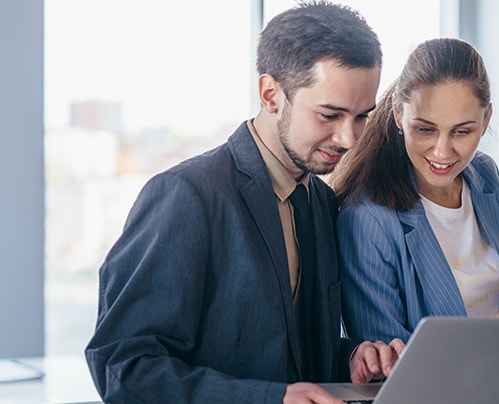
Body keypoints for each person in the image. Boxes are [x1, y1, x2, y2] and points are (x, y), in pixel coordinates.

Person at [85, 2, 404, 403]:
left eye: (361, 117)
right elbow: (124, 368)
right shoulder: (186, 195)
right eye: (329, 115)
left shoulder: (320, 200)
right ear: (271, 93)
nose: (349, 139)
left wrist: (353, 356)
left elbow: (285, 356)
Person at [331, 38, 499, 343]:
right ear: (398, 113)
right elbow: (388, 367)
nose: (442, 152)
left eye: (462, 131)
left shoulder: (483, 176)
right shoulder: (367, 219)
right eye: (425, 129)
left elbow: (479, 310)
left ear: (486, 120)